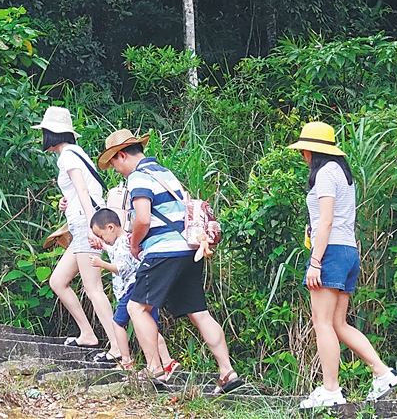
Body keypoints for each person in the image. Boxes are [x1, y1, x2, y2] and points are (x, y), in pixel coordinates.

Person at [98, 129, 244, 394]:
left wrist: (134, 245)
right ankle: (227, 372)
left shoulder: (139, 177)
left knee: (136, 308)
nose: (116, 169)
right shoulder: (165, 173)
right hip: (189, 250)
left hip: (162, 251)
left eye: (114, 163)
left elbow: (142, 218)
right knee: (199, 312)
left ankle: (155, 372)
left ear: (121, 155)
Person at [288, 121, 397, 408]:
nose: (303, 155)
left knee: (322, 322)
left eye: (304, 150)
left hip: (331, 252)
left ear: (312, 151)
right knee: (338, 323)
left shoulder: (325, 173)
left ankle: (330, 390)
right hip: (348, 249)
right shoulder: (341, 172)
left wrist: (315, 261)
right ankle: (382, 372)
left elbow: (326, 220)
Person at [33, 106, 120, 362]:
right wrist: (66, 201)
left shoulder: (68, 156)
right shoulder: (75, 153)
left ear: (52, 134)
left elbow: (83, 192)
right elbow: (80, 191)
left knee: (93, 288)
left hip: (86, 226)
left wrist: (93, 228)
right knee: (58, 281)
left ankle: (116, 347)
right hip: (82, 223)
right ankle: (87, 334)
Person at [89, 208, 181, 377]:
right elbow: (114, 251)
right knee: (150, 327)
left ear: (110, 227)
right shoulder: (123, 242)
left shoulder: (123, 243)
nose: (103, 240)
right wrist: (103, 246)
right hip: (143, 287)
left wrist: (101, 264)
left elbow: (122, 268)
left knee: (117, 323)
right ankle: (167, 362)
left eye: (101, 236)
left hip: (131, 290)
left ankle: (126, 360)